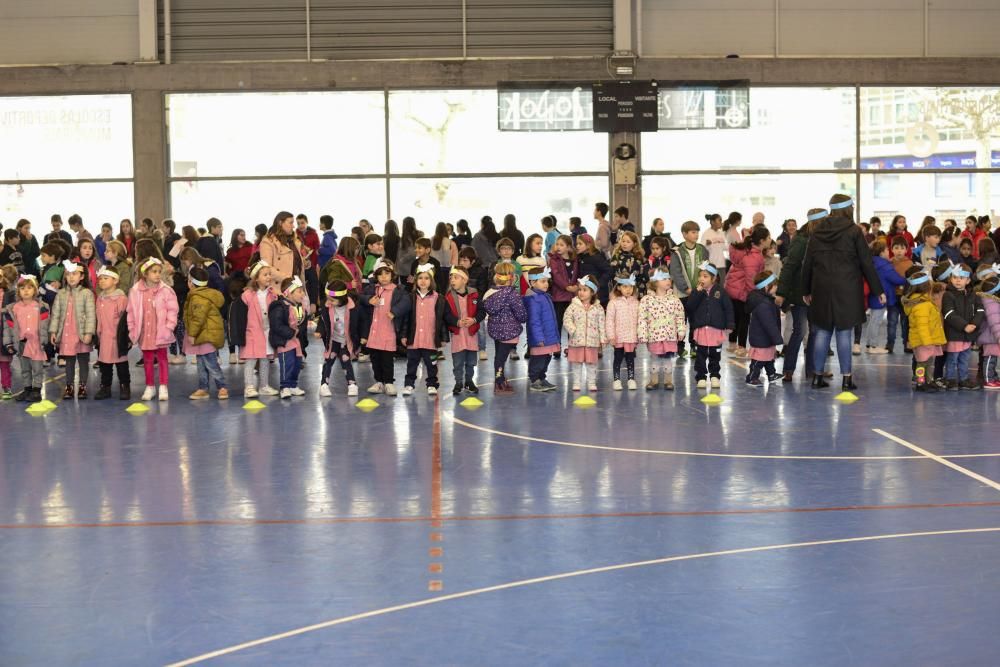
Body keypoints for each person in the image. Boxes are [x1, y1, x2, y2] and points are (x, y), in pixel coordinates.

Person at [802, 194, 884, 390]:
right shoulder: (854, 231)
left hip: (821, 288)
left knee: (822, 332)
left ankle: (817, 377)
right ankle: (846, 379)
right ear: (849, 209)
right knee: (844, 333)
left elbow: (808, 264)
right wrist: (877, 290)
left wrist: (806, 290)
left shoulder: (817, 231)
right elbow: (866, 263)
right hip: (847, 289)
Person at [776, 210, 823, 382]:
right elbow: (789, 266)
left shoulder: (820, 238)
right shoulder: (801, 240)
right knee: (800, 330)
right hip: (798, 293)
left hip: (816, 293)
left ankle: (812, 369)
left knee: (816, 332)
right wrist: (781, 292)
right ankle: (789, 369)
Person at [127, 257, 179, 401]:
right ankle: (150, 386)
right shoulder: (136, 291)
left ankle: (163, 386)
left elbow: (172, 310)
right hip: (145, 332)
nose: (157, 274)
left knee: (162, 358)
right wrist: (132, 330)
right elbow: (131, 311)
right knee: (148, 359)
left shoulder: (166, 290)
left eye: (159, 271)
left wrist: (169, 327)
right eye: (154, 272)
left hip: (161, 332)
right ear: (145, 274)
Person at [230, 260, 278, 398]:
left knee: (264, 360)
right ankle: (249, 387)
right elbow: (240, 315)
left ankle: (264, 386)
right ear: (256, 278)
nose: (269, 277)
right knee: (250, 361)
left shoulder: (272, 294)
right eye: (265, 274)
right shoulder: (247, 295)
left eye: (269, 274)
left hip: (266, 332)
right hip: (251, 332)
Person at [361, 260, 409, 396]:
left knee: (387, 359)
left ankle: (389, 382)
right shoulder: (372, 289)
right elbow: (360, 297)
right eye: (380, 274)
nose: (383, 277)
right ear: (376, 276)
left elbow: (406, 303)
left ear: (392, 275)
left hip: (388, 331)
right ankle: (378, 382)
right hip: (374, 331)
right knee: (375, 358)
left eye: (387, 273)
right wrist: (369, 300)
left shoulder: (399, 290)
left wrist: (395, 311)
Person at [50, 259, 96, 399]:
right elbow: (56, 314)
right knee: (69, 361)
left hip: (81, 333)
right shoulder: (61, 293)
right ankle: (69, 386)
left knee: (83, 360)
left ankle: (82, 385)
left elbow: (90, 315)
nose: (71, 277)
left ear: (81, 276)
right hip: (67, 334)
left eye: (74, 274)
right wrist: (53, 331)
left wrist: (89, 333)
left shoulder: (87, 293)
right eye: (68, 274)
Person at [183, 266, 228, 400]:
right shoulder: (199, 295)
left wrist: (191, 334)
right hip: (203, 335)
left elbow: (198, 318)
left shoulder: (198, 298)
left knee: (211, 363)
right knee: (202, 363)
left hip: (205, 335)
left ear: (191, 282)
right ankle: (203, 388)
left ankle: (222, 387)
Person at [2, 275, 50, 402]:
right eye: (22, 288)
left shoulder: (41, 306)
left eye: (29, 288)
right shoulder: (13, 308)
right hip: (22, 343)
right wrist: (9, 343)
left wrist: (46, 341)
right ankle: (27, 389)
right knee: (25, 369)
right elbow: (8, 328)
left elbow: (46, 326)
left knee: (37, 368)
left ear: (35, 290)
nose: (26, 291)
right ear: (18, 291)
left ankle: (37, 390)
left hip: (37, 343)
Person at [638, 269, 686, 390]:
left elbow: (680, 316)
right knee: (654, 358)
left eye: (668, 278)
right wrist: (642, 334)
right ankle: (653, 380)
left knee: (668, 359)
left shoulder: (674, 299)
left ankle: (668, 381)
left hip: (669, 335)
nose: (668, 281)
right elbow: (642, 318)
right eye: (664, 279)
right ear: (655, 282)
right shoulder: (646, 300)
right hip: (654, 336)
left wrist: (681, 330)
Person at [725, 225, 770, 356]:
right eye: (768, 238)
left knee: (736, 318)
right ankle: (742, 347)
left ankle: (732, 344)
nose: (770, 240)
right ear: (762, 241)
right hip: (742, 291)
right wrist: (755, 295)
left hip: (732, 288)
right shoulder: (754, 256)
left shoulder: (745, 251)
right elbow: (751, 278)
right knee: (744, 319)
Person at [481, 262, 526, 394]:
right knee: (502, 357)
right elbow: (521, 314)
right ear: (511, 278)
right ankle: (499, 383)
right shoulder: (512, 294)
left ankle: (500, 378)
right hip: (509, 331)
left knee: (498, 356)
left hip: (495, 330)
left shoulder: (489, 293)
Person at [401, 264, 445, 396]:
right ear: (416, 281)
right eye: (420, 278)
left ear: (431, 281)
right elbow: (406, 319)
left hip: (430, 339)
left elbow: (441, 320)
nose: (423, 281)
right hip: (414, 339)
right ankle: (409, 384)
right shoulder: (410, 297)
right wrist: (404, 335)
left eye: (426, 278)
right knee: (412, 363)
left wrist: (443, 338)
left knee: (431, 363)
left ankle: (432, 384)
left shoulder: (438, 298)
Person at [689, 262, 734, 389]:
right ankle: (701, 376)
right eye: (700, 276)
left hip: (716, 330)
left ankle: (714, 376)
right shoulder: (697, 291)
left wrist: (730, 324)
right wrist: (697, 293)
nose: (701, 279)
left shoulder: (721, 291)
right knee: (701, 355)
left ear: (713, 278)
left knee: (715, 355)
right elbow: (690, 306)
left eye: (705, 276)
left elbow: (728, 308)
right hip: (702, 330)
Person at [941, 263, 984, 390]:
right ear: (951, 278)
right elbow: (949, 313)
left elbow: (980, 310)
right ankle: (950, 379)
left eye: (961, 278)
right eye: (955, 277)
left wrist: (974, 324)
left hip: (968, 334)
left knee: (965, 358)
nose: (958, 280)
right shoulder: (948, 295)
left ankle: (964, 379)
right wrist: (964, 325)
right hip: (955, 334)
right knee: (952, 358)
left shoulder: (973, 295)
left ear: (968, 280)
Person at [444, 266, 486, 395]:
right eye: (451, 277)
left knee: (471, 361)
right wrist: (456, 322)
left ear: (464, 280)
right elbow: (446, 315)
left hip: (471, 334)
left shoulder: (475, 294)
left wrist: (474, 320)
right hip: (457, 334)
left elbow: (481, 311)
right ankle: (458, 382)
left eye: (456, 277)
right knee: (458, 362)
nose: (452, 280)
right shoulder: (448, 297)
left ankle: (469, 381)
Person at [669, 221, 709, 357]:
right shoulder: (677, 251)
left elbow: (706, 270)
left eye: (697, 232)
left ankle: (694, 346)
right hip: (682, 293)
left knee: (696, 320)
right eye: (693, 232)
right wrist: (686, 289)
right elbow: (675, 272)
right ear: (684, 234)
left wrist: (701, 287)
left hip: (697, 292)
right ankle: (679, 347)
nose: (696, 234)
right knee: (681, 320)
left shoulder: (702, 250)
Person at [903, 271, 946, 392]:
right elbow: (922, 325)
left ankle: (928, 380)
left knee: (928, 362)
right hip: (924, 340)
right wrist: (927, 341)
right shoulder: (922, 305)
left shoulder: (924, 301)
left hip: (927, 339)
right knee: (922, 363)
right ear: (927, 287)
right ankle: (920, 383)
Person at [93, 266, 131, 401]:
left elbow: (126, 319)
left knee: (121, 363)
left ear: (115, 280)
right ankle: (105, 387)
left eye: (105, 278)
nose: (102, 281)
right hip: (104, 337)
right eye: (100, 279)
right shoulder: (100, 299)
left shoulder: (121, 298)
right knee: (104, 364)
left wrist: (127, 337)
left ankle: (124, 386)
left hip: (117, 337)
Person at [563, 275, 606, 393]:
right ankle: (577, 382)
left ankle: (592, 382)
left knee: (592, 363)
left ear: (592, 292)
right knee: (576, 363)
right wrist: (573, 330)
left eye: (585, 290)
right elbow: (566, 319)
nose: (581, 292)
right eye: (580, 289)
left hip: (592, 341)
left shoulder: (598, 308)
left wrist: (603, 339)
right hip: (577, 341)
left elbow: (602, 324)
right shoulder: (573, 306)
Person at [317, 280, 360, 397]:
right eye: (328, 299)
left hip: (346, 341)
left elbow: (359, 323)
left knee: (346, 362)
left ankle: (352, 384)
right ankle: (323, 385)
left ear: (342, 299)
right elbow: (322, 320)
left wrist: (362, 337)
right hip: (333, 340)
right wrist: (319, 331)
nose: (329, 302)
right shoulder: (326, 306)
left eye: (332, 300)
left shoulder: (353, 307)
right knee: (328, 362)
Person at [865, 239, 908, 354]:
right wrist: (909, 280)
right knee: (876, 321)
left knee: (873, 320)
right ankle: (873, 346)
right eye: (887, 249)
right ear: (881, 252)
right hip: (881, 296)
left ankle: (869, 344)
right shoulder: (884, 265)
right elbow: (896, 279)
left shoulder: (872, 262)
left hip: (874, 295)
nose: (888, 251)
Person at [269, 277, 307, 399]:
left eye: (303, 291)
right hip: (285, 342)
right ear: (289, 293)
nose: (303, 294)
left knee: (297, 363)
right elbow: (276, 325)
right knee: (287, 363)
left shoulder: (299, 307)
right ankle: (284, 386)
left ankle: (293, 385)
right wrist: (291, 333)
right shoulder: (280, 306)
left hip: (296, 342)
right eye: (299, 291)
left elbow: (302, 323)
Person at [523, 266, 559, 392]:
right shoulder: (533, 299)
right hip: (540, 338)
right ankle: (534, 380)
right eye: (543, 281)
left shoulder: (545, 296)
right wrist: (538, 337)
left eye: (547, 281)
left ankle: (542, 378)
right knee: (538, 359)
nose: (546, 284)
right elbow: (534, 321)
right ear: (533, 282)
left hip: (548, 336)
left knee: (546, 359)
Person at [745, 271, 783, 387]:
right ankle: (752, 377)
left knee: (769, 358)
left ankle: (771, 374)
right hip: (762, 337)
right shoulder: (763, 304)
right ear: (767, 286)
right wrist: (777, 338)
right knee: (759, 360)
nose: (776, 287)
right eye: (775, 285)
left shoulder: (766, 300)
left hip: (766, 338)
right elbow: (769, 324)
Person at [606, 274, 640, 390]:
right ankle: (616, 379)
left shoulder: (636, 302)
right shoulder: (613, 303)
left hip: (631, 337)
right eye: (625, 287)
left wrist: (638, 334)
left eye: (630, 287)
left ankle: (631, 379)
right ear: (619, 287)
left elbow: (639, 319)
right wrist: (611, 336)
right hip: (619, 337)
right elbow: (609, 320)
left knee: (630, 358)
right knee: (618, 358)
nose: (628, 289)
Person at [547, 234, 579, 359]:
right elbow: (556, 276)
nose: (558, 247)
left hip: (572, 297)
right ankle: (557, 347)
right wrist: (566, 286)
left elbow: (577, 275)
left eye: (562, 245)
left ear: (569, 247)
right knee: (558, 322)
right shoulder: (554, 260)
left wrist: (576, 286)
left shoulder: (575, 260)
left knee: (572, 323)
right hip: (558, 296)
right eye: (557, 244)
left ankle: (572, 346)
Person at [259, 212, 305, 293]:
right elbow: (267, 269)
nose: (293, 226)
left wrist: (304, 262)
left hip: (296, 288)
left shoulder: (294, 241)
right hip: (279, 290)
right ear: (280, 223)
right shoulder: (268, 242)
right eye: (291, 222)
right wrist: (288, 279)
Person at [458, 247, 489, 360]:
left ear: (473, 261)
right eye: (460, 260)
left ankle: (482, 349)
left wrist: (474, 302)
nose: (462, 263)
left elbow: (482, 290)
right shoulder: (458, 271)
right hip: (461, 303)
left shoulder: (481, 271)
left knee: (479, 326)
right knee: (462, 326)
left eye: (465, 260)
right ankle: (464, 346)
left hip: (476, 303)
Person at [889, 236, 914, 353]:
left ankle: (907, 343)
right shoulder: (889, 263)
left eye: (902, 248)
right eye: (896, 248)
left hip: (905, 297)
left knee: (906, 321)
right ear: (892, 249)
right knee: (892, 321)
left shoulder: (910, 263)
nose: (899, 250)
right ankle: (890, 344)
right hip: (893, 297)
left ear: (906, 250)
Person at [575, 234, 612, 307]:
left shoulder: (596, 257)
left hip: (599, 295)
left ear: (588, 245)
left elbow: (608, 271)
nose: (577, 246)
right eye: (577, 244)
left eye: (580, 244)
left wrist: (598, 284)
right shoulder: (581, 257)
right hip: (587, 294)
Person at [977, 274, 1000, 389]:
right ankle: (988, 380)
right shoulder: (991, 303)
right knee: (990, 357)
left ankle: (993, 377)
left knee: (993, 357)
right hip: (990, 336)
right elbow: (994, 321)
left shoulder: (991, 301)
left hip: (992, 336)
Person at [609, 231, 646, 299]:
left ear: (634, 244)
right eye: (623, 241)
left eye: (628, 242)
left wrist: (640, 292)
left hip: (634, 289)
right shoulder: (616, 256)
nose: (624, 244)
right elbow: (612, 274)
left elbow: (641, 276)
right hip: (620, 289)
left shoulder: (639, 258)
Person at [430, 222, 458, 294]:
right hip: (446, 270)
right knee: (444, 291)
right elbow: (454, 259)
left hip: (433, 269)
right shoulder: (450, 242)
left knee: (434, 290)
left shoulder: (431, 240)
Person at [701, 214, 727, 284]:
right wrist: (707, 243)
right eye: (720, 220)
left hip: (721, 264)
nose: (721, 222)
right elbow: (701, 248)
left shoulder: (721, 233)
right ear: (712, 222)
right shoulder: (706, 233)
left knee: (722, 285)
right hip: (711, 265)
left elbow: (726, 248)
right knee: (713, 286)